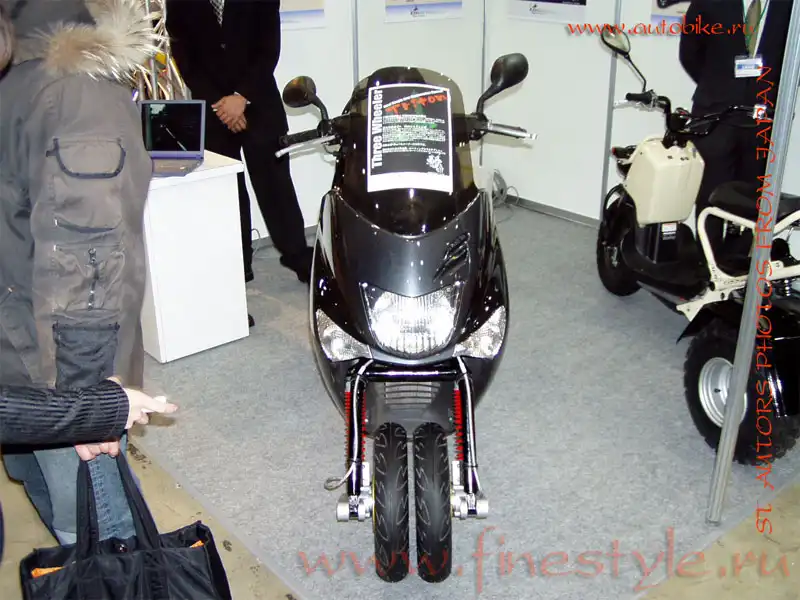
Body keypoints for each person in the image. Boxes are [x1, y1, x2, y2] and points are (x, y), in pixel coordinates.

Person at [0, 0, 160, 546]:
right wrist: (84, 402)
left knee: (96, 536)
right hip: (31, 363)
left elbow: (89, 253)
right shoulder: (44, 77)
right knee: (77, 521)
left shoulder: (68, 87)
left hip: (48, 365)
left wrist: (86, 401)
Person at [165, 0, 314, 298]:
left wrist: (241, 97)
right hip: (214, 109)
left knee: (275, 186)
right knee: (226, 191)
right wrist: (221, 104)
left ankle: (297, 255)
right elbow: (183, 55)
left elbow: (268, 48)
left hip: (258, 101)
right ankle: (238, 263)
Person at [0, 379, 177, 560]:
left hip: (26, 384)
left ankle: (88, 564)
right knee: (102, 523)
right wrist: (94, 410)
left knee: (53, 491)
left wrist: (93, 408)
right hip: (54, 387)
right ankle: (110, 569)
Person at [679, 0, 793, 252]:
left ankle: (740, 266)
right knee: (709, 195)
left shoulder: (789, 6)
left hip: (763, 119)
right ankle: (706, 263)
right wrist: (719, 86)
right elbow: (689, 51)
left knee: (752, 200)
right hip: (714, 116)